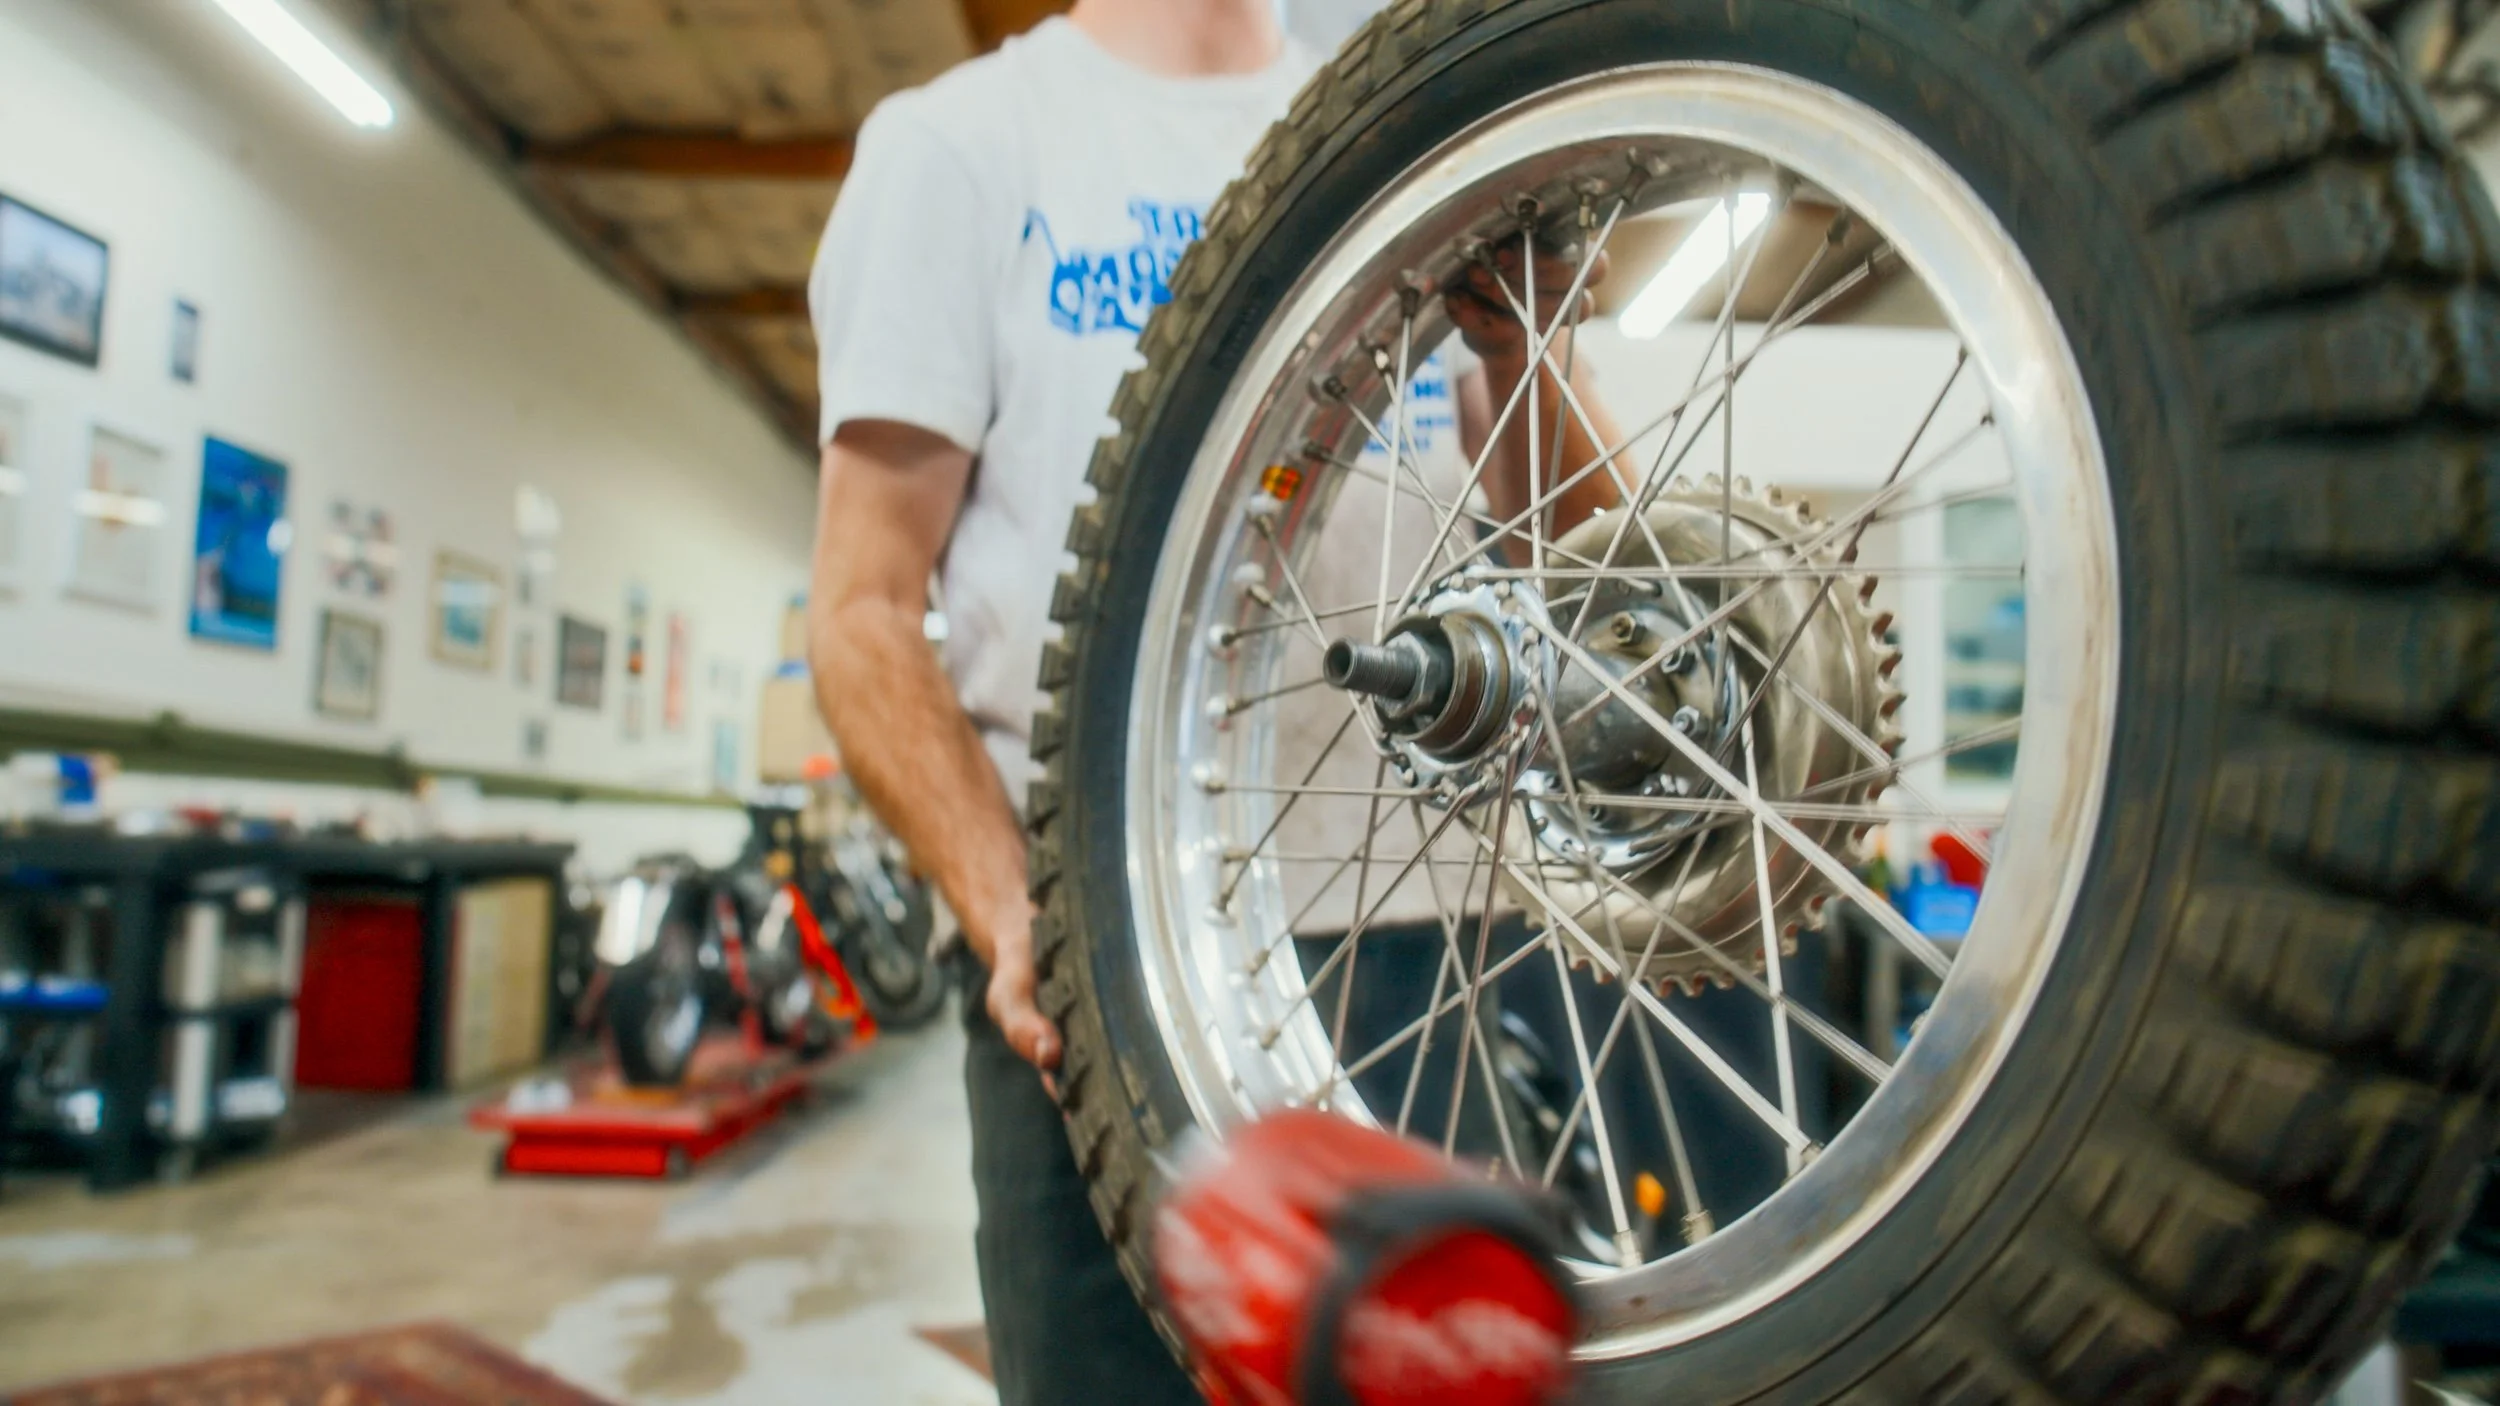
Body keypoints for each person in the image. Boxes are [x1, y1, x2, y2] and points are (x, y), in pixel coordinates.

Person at [804, 3, 1620, 1398]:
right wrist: (1018, 917)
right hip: (1083, 972)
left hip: (1421, 955)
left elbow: (1590, 555)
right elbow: (863, 610)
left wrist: (1520, 345)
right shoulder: (959, 151)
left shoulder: (1408, 117)